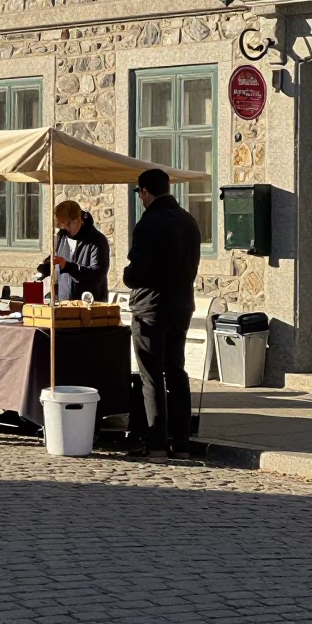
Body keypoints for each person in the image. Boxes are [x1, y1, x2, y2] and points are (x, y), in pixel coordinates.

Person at [123, 168, 201, 459]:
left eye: (139, 193)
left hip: (151, 307)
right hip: (181, 305)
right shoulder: (188, 220)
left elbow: (137, 273)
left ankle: (156, 442)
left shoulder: (149, 223)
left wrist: (127, 273)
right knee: (177, 373)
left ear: (144, 191)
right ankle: (181, 443)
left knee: (152, 375)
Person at [36, 200, 110, 302]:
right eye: (60, 225)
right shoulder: (61, 238)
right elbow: (58, 266)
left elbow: (97, 275)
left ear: (78, 220)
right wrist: (46, 268)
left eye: (67, 224)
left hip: (89, 305)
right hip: (64, 303)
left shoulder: (97, 241)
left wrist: (67, 266)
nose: (65, 229)